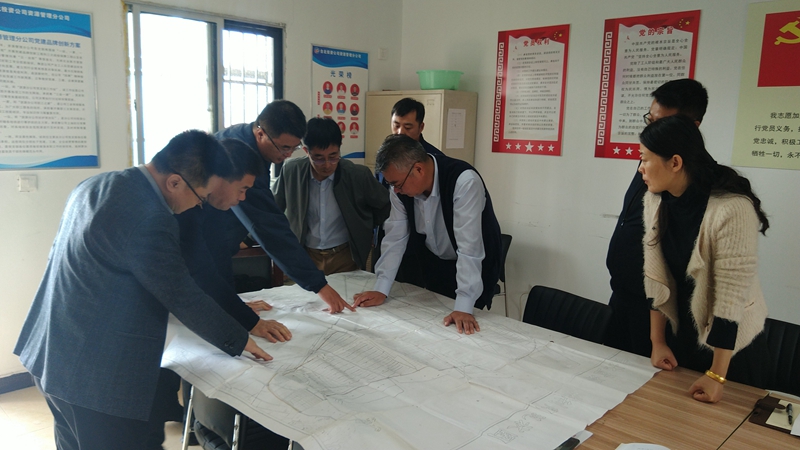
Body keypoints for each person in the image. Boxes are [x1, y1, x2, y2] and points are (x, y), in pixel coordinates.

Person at [13, 130, 270, 450]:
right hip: (94, 380)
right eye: (199, 198)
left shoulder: (97, 184)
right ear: (174, 182)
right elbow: (181, 294)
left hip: (51, 355)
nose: (197, 205)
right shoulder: (149, 217)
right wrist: (240, 339)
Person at [639, 114, 770, 403]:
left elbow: (730, 299)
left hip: (731, 350)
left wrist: (716, 375)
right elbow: (655, 275)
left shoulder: (732, 209)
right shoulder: (655, 200)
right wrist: (657, 341)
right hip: (683, 334)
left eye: (645, 159)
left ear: (675, 162)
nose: (640, 168)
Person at [353, 134, 502, 334]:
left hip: (475, 269)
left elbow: (469, 247)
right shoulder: (401, 189)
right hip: (435, 266)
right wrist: (381, 288)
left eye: (397, 184)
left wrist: (464, 306)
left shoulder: (463, 181)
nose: (395, 191)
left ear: (419, 169)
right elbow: (395, 238)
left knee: (465, 331)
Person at [215, 100, 354, 313]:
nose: (288, 154)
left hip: (214, 247)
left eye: (294, 147)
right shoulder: (239, 155)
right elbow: (269, 227)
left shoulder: (252, 143)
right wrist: (319, 285)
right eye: (284, 147)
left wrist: (230, 303)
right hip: (194, 243)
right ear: (260, 134)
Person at [604, 79, 709, 357]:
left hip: (657, 311)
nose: (651, 131)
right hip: (623, 296)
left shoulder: (690, 182)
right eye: (650, 120)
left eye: (661, 123)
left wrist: (658, 339)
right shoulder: (652, 157)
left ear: (692, 127)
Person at [273, 118, 390, 274]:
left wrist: (364, 226)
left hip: (346, 257)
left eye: (333, 156)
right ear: (306, 151)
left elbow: (385, 205)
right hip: (306, 256)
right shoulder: (291, 171)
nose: (327, 165)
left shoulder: (357, 175)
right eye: (319, 158)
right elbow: (272, 208)